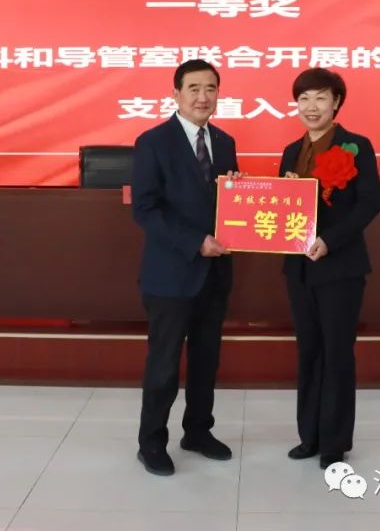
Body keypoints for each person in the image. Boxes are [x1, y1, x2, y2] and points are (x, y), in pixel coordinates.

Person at [130, 60, 239, 476]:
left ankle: (197, 431)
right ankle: (151, 443)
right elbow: (145, 209)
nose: (202, 97)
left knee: (206, 360)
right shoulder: (153, 141)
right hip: (170, 275)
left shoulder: (225, 142)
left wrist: (241, 196)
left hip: (215, 274)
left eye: (210, 88)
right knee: (164, 364)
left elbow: (226, 202)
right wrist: (195, 242)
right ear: (175, 93)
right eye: (193, 88)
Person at [278, 67, 380, 470]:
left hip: (339, 266)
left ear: (336, 102)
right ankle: (309, 436)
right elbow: (283, 206)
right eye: (304, 98)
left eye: (320, 97)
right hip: (299, 269)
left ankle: (334, 442)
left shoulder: (357, 146)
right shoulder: (291, 150)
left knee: (337, 352)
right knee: (309, 350)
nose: (311, 106)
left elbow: (369, 202)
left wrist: (330, 240)